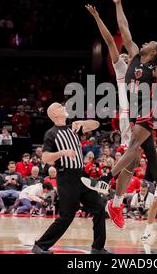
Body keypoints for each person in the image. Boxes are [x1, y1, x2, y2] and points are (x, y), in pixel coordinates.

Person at [82, 0, 157, 229]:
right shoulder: (128, 59)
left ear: (155, 51)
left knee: (139, 154)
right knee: (139, 154)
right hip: (130, 113)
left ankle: (111, 186)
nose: (145, 41)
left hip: (143, 112)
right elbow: (120, 31)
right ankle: (155, 191)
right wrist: (116, 4)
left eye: (152, 42)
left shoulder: (154, 69)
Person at [32, 102, 109, 254]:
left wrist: (83, 123)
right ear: (55, 114)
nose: (64, 108)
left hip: (81, 176)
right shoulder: (51, 133)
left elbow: (96, 124)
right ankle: (40, 246)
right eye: (60, 107)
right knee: (67, 215)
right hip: (66, 177)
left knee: (99, 208)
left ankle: (98, 248)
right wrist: (62, 153)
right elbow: (46, 157)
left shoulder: (73, 127)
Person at [85, 4, 131, 147]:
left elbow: (125, 28)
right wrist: (97, 17)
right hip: (128, 112)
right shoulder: (120, 68)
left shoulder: (137, 66)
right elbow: (110, 41)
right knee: (127, 149)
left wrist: (118, 4)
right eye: (121, 56)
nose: (124, 58)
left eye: (126, 56)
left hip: (143, 111)